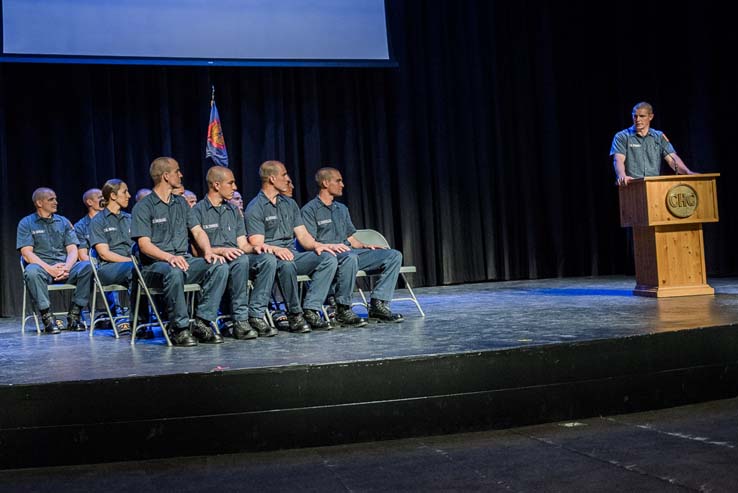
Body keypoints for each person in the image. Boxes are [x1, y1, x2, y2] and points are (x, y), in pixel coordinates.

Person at [131, 156, 229, 346]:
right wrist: (169, 257)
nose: (181, 174)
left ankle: (202, 321)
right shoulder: (143, 207)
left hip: (184, 261)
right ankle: (179, 328)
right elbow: (144, 245)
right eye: (177, 171)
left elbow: (197, 231)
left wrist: (208, 251)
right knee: (174, 271)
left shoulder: (181, 203)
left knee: (219, 266)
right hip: (155, 266)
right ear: (166, 176)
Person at [245, 160, 346, 332]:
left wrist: (318, 245)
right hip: (270, 256)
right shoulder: (256, 207)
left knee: (327, 258)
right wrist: (277, 249)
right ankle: (294, 314)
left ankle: (311, 309)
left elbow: (303, 236)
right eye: (284, 175)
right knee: (286, 264)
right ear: (272, 178)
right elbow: (257, 243)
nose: (288, 179)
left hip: (291, 253)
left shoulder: (289, 204)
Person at [302, 167, 404, 324]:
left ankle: (378, 304)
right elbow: (309, 242)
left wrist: (365, 246)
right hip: (329, 255)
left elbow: (350, 238)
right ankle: (343, 308)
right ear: (325, 183)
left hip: (350, 252)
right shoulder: (309, 210)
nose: (342, 184)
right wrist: (331, 246)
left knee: (393, 255)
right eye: (338, 181)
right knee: (350, 257)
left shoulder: (341, 209)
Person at [190, 166, 278, 339]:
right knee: (240, 260)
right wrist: (221, 251)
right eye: (230, 183)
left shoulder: (233, 210)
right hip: (213, 260)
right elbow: (195, 252)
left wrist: (257, 248)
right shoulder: (197, 211)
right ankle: (239, 320)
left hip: (237, 257)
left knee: (267, 259)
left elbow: (242, 245)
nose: (235, 187)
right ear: (216, 185)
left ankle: (255, 315)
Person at [17, 187, 93, 333]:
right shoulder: (26, 223)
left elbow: (72, 250)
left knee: (88, 266)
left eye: (56, 199)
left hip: (65, 268)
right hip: (43, 270)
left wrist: (67, 267)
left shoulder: (63, 222)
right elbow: (27, 254)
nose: (56, 202)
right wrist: (49, 269)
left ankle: (74, 315)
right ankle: (47, 317)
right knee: (31, 271)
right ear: (39, 203)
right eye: (51, 199)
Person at [88, 179, 136, 335]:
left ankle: (156, 315)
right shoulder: (98, 221)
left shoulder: (130, 218)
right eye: (125, 192)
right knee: (134, 270)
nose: (129, 195)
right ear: (113, 196)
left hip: (132, 264)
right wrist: (131, 261)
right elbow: (104, 253)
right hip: (107, 268)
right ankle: (127, 317)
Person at [611, 102, 695, 186]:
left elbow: (672, 159)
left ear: (650, 117)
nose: (637, 119)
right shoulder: (622, 136)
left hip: (654, 186)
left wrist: (687, 172)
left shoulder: (659, 136)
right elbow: (618, 160)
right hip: (631, 185)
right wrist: (622, 176)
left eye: (642, 116)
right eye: (635, 116)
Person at [73, 188, 104, 261]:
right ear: (90, 202)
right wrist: (99, 265)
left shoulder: (110, 220)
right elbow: (82, 256)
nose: (104, 200)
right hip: (98, 263)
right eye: (100, 197)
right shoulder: (80, 226)